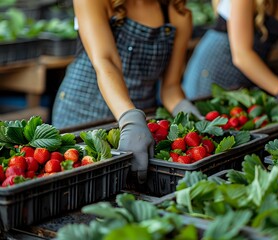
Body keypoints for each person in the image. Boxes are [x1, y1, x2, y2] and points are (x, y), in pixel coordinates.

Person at [52, 0, 202, 184]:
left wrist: (184, 109)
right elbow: (107, 61)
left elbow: (170, 88)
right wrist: (130, 118)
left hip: (140, 127)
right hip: (83, 114)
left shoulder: (177, 14)